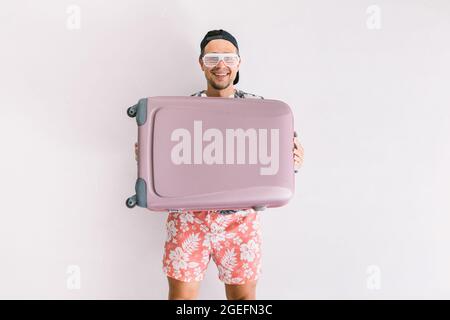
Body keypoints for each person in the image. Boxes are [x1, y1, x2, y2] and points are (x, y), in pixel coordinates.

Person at [134, 29, 304, 300]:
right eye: (212, 58)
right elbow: (164, 162)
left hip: (241, 221)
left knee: (243, 300)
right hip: (188, 219)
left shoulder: (260, 108)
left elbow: (276, 160)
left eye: (228, 58)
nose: (221, 65)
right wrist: (147, 155)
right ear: (202, 63)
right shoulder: (181, 110)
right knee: (182, 300)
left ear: (239, 63)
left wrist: (294, 159)